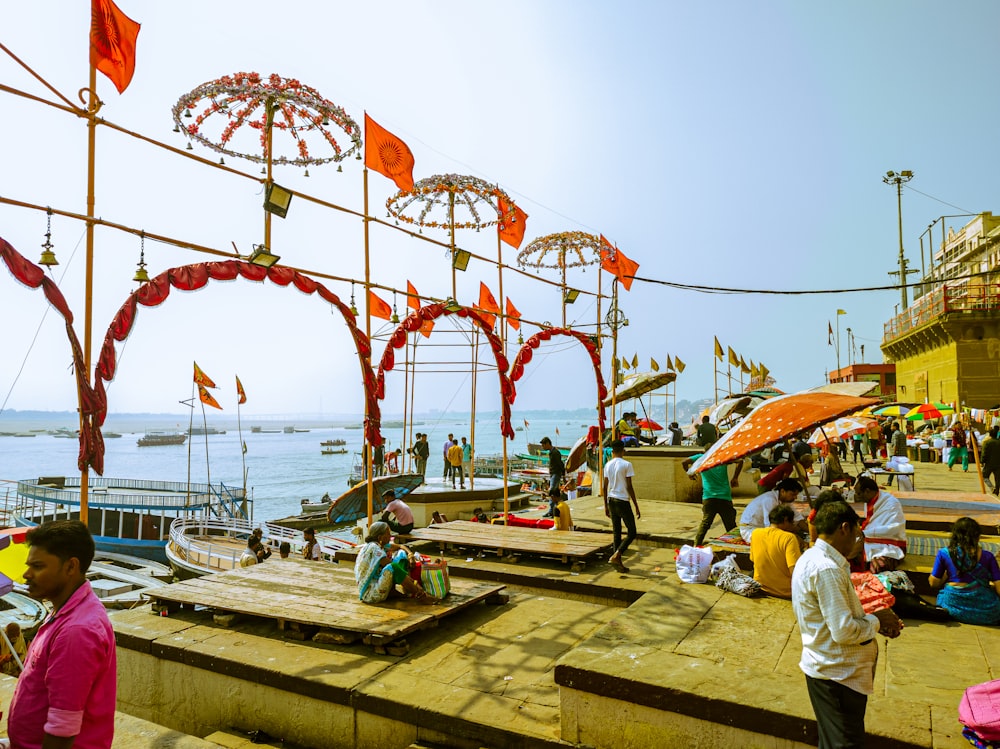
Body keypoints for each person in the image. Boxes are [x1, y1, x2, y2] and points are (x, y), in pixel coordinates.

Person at [792, 501, 902, 749]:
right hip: (836, 676)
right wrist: (876, 620)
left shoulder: (816, 558)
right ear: (844, 528)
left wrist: (872, 620)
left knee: (833, 740)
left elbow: (836, 614)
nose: (857, 538)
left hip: (835, 671)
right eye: (856, 532)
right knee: (844, 742)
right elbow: (843, 631)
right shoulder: (826, 569)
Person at [9, 520, 116, 749]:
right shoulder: (66, 611)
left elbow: (62, 729)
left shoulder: (76, 632)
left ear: (70, 567)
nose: (27, 574)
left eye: (37, 566)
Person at [929, 516, 1000, 625]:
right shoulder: (988, 557)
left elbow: (933, 583)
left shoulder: (944, 553)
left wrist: (947, 575)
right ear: (977, 536)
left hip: (951, 604)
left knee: (942, 597)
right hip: (985, 609)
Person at [354, 521, 436, 605]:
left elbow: (401, 546)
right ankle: (421, 595)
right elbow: (394, 568)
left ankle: (396, 591)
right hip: (370, 594)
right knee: (393, 566)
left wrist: (410, 555)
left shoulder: (379, 545)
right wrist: (415, 584)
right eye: (388, 533)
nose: (390, 536)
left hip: (377, 585)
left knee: (401, 553)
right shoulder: (374, 548)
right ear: (380, 537)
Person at [683, 453, 743, 547]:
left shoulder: (701, 457)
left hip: (709, 497)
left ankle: (696, 545)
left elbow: (684, 462)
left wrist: (689, 473)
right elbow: (740, 461)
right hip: (724, 497)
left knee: (705, 524)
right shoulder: (722, 457)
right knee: (731, 526)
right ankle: (736, 546)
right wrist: (735, 477)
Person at [853, 475, 906, 573]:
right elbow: (871, 522)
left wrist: (865, 533)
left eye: (859, 493)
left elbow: (894, 529)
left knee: (879, 566)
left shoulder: (891, 503)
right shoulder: (872, 500)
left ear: (867, 491)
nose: (857, 496)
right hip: (871, 540)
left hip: (892, 544)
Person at [602, 440, 640, 573]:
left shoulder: (607, 465)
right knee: (632, 531)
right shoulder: (627, 465)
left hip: (611, 500)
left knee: (616, 533)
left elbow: (604, 486)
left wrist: (605, 505)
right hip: (622, 500)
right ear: (623, 450)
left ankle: (617, 563)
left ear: (612, 451)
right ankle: (617, 555)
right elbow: (629, 486)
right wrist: (636, 505)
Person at [750, 504, 803, 598]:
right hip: (785, 592)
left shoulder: (755, 533)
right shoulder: (789, 538)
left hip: (761, 587)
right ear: (786, 520)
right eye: (792, 522)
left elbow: (753, 559)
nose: (793, 525)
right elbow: (794, 570)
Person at [738, 478, 803, 542]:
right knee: (785, 540)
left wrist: (809, 530)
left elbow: (798, 518)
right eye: (793, 494)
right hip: (749, 530)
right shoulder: (770, 500)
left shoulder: (786, 500)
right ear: (783, 491)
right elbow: (770, 526)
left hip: (763, 529)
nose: (795, 497)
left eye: (796, 495)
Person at [981, 426, 1000, 496]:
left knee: (984, 476)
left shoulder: (987, 443)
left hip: (989, 463)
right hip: (998, 463)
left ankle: (992, 488)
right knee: (998, 478)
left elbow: (984, 453)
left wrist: (982, 461)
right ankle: (997, 489)